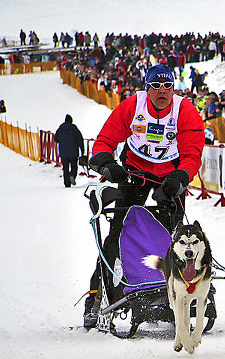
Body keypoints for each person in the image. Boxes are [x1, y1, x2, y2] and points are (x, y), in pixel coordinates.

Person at [83, 65, 205, 327]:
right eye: (156, 87)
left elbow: (193, 152)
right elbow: (105, 139)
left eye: (168, 87)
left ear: (174, 88)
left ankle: (179, 296)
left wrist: (181, 178)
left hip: (169, 176)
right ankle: (95, 298)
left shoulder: (185, 111)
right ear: (146, 88)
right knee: (116, 234)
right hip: (134, 172)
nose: (163, 92)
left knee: (178, 238)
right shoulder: (131, 106)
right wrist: (106, 163)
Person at [54, 114, 84, 188]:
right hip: (73, 152)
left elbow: (56, 139)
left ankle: (67, 184)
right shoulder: (74, 129)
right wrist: (82, 150)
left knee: (65, 168)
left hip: (63, 153)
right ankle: (72, 175)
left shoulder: (60, 129)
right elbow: (80, 140)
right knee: (74, 166)